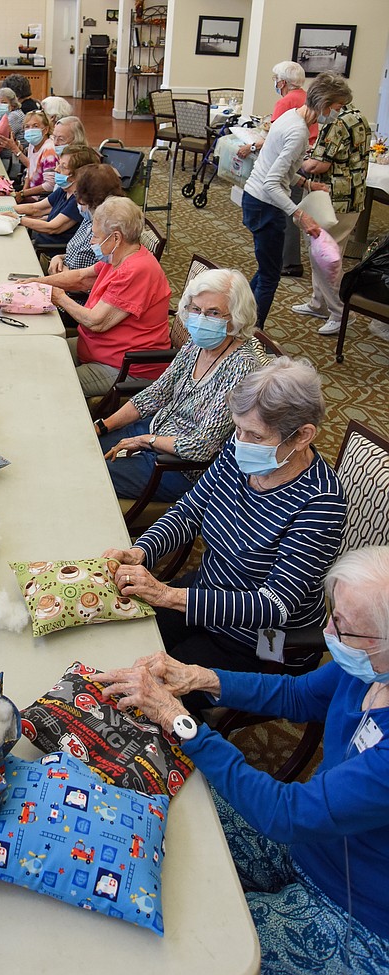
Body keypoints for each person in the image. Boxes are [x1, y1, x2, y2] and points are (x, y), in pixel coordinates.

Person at [95, 545, 389, 975]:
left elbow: (286, 814)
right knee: (161, 824)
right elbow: (297, 694)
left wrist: (181, 722)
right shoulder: (368, 667)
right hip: (309, 845)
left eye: (343, 628)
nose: (327, 634)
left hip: (356, 913)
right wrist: (197, 676)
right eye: (332, 615)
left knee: (191, 944)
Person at [103, 357, 346, 687]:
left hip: (261, 640)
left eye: (256, 436)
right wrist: (143, 551)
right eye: (238, 428)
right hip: (208, 591)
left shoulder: (321, 502)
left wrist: (167, 595)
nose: (240, 442)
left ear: (303, 436)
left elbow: (273, 606)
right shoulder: (242, 446)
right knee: (115, 643)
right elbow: (191, 510)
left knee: (146, 690)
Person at [96, 268, 262, 502]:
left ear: (236, 317)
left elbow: (202, 445)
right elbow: (157, 393)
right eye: (196, 309)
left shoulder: (242, 368)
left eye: (214, 313)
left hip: (177, 467)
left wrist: (146, 442)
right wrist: (104, 426)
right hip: (154, 429)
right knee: (83, 447)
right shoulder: (197, 344)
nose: (201, 319)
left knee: (88, 475)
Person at [25, 197, 171, 395]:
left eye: (95, 236)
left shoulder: (136, 270)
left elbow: (96, 322)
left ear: (116, 238)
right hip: (96, 347)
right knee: (36, 356)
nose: (92, 241)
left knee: (50, 382)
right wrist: (36, 283)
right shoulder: (119, 257)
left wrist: (58, 297)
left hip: (125, 365)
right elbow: (82, 278)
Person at [241, 72, 352, 328]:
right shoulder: (298, 132)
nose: (336, 114)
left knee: (266, 268)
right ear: (324, 104)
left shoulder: (291, 117)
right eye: (337, 108)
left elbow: (279, 167)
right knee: (270, 276)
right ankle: (250, 335)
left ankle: (238, 316)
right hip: (264, 204)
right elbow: (272, 181)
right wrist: (301, 215)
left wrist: (306, 183)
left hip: (257, 200)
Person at [293, 90, 371, 336]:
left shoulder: (336, 120)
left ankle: (338, 313)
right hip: (351, 197)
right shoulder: (358, 116)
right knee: (323, 252)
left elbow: (319, 164)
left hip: (334, 200)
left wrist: (298, 162)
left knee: (326, 258)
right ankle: (319, 303)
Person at [237, 60, 318, 279]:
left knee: (287, 213)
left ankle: (289, 261)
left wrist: (251, 146)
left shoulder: (287, 103)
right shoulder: (305, 98)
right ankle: (288, 260)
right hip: (304, 158)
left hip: (290, 162)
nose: (275, 83)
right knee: (291, 207)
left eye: (275, 79)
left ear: (282, 81)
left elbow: (272, 139)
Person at [2, 144, 99, 247]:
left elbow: (52, 227)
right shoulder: (65, 190)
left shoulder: (79, 201)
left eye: (63, 167)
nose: (56, 169)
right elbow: (36, 208)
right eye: (58, 164)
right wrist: (2, 210)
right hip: (39, 240)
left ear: (79, 175)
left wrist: (18, 219)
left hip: (48, 251)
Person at [43, 164, 123, 278]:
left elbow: (99, 276)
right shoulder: (88, 218)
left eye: (77, 192)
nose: (77, 199)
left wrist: (66, 275)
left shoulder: (109, 229)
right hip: (65, 276)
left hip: (76, 289)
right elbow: (76, 252)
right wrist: (59, 257)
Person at [0, 110, 58, 202]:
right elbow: (29, 171)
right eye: (27, 126)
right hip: (31, 192)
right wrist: (23, 192)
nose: (30, 129)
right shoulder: (32, 145)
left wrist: (23, 194)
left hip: (42, 198)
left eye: (35, 126)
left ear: (46, 130)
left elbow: (50, 185)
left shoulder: (49, 151)